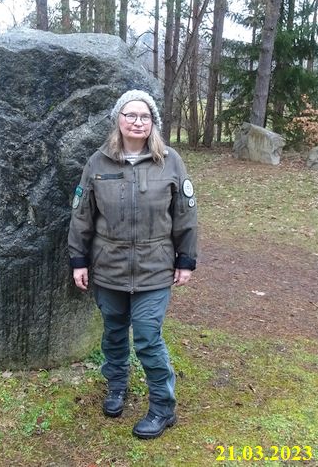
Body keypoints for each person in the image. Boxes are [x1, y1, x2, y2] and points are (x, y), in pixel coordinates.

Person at [68, 89, 198, 439]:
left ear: (153, 122)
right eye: (130, 115)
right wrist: (78, 260)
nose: (137, 122)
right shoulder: (98, 162)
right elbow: (82, 215)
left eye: (145, 116)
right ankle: (116, 385)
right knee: (112, 332)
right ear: (118, 120)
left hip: (154, 268)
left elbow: (185, 214)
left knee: (147, 336)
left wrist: (185, 259)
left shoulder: (170, 161)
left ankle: (162, 408)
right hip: (108, 267)